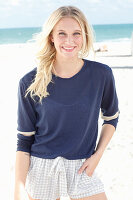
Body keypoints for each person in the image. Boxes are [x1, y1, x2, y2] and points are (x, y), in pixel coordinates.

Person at [14, 5, 120, 200]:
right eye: (61, 33)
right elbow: (24, 140)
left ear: (85, 36)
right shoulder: (30, 82)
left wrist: (97, 156)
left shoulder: (101, 74)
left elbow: (111, 118)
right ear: (51, 37)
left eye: (76, 33)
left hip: (82, 168)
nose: (69, 40)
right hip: (41, 169)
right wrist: (18, 189)